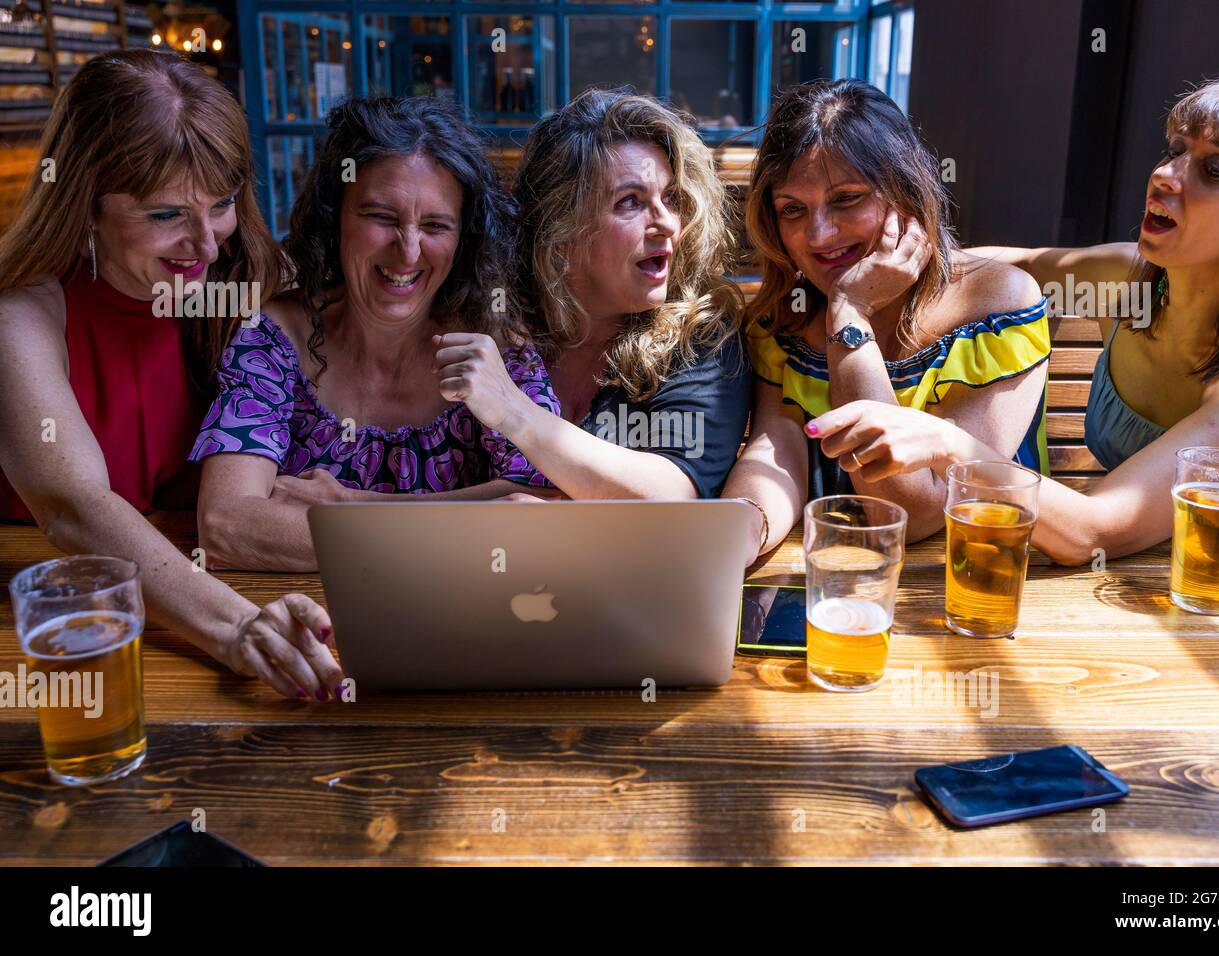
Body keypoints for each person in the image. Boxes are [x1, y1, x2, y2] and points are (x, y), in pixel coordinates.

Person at [824, 76, 1219, 563]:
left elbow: (1094, 532)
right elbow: (998, 268)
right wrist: (865, 265)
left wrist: (948, 444)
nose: (1166, 175)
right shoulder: (1124, 285)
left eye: (1214, 169)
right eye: (1175, 150)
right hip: (1125, 582)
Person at [0, 50, 342, 700]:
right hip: (71, 652)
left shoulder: (250, 286)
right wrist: (240, 628)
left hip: (234, 615)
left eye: (222, 203)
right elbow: (75, 509)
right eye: (165, 215)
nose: (208, 245)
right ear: (86, 204)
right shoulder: (21, 314)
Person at [190, 96, 562, 572]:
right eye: (381, 217)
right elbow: (225, 526)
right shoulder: (271, 339)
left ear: (463, 239)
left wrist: (349, 506)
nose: (407, 251)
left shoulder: (499, 348)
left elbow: (547, 502)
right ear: (335, 217)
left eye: (434, 225)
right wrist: (470, 528)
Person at [720, 78, 1050, 559]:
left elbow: (912, 513)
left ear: (904, 189)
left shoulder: (999, 300)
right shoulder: (782, 320)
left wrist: (849, 313)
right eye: (793, 209)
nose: (819, 233)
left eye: (846, 198)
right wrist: (742, 531)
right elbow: (778, 449)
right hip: (843, 574)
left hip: (973, 573)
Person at [436, 87, 753, 500]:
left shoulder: (700, 337)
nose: (666, 223)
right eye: (630, 202)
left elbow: (671, 495)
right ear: (561, 230)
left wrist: (512, 409)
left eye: (671, 198)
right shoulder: (497, 317)